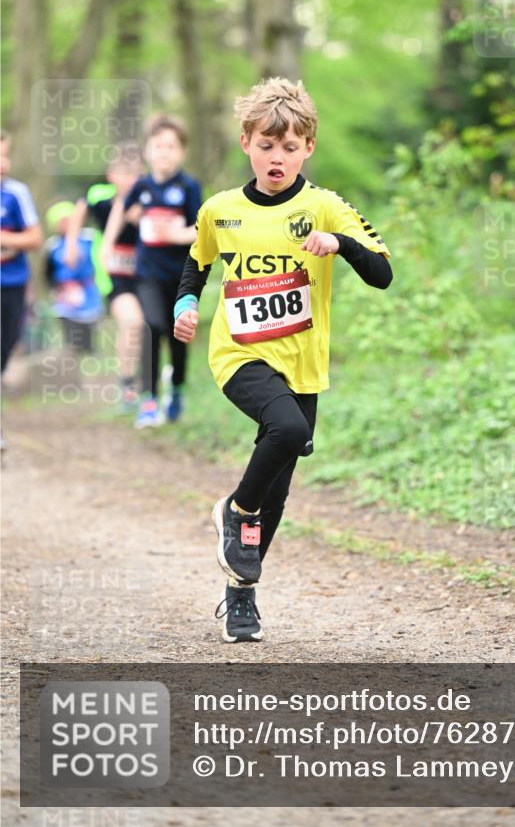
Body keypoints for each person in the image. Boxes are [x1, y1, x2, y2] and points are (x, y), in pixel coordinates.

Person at [173, 77, 392, 643]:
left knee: (279, 485)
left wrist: (339, 244)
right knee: (287, 430)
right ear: (246, 142)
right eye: (267, 145)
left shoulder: (325, 207)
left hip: (303, 363)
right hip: (238, 353)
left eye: (290, 147)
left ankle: (240, 594)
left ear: (308, 148)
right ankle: (235, 510)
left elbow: (382, 273)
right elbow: (197, 262)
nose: (278, 157)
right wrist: (186, 304)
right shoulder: (220, 210)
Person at [104, 115, 202, 428]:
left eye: (171, 147)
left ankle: (177, 389)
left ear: (182, 152)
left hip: (181, 275)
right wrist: (111, 242)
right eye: (158, 146)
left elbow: (201, 229)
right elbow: (124, 210)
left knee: (178, 337)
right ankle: (148, 400)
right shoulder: (141, 186)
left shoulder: (188, 186)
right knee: (152, 326)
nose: (164, 152)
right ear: (147, 150)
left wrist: (176, 234)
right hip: (147, 274)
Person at [65, 144, 144, 412]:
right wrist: (71, 244)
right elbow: (79, 211)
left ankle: (151, 383)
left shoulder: (148, 197)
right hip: (112, 275)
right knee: (132, 323)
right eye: (124, 172)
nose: (129, 179)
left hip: (147, 274)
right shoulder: (99, 195)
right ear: (111, 174)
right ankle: (128, 386)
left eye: (135, 173)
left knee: (149, 327)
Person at [0, 131, 43, 449]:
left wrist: (6, 240)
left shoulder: (16, 193)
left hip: (12, 285)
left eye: (5, 155)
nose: (3, 163)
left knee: (5, 350)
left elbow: (34, 238)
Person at [45, 201, 104, 353]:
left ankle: (88, 355)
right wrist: (55, 289)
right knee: (70, 332)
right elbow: (48, 272)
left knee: (88, 333)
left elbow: (99, 261)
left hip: (88, 290)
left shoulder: (89, 238)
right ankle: (72, 354)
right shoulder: (53, 245)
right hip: (65, 293)